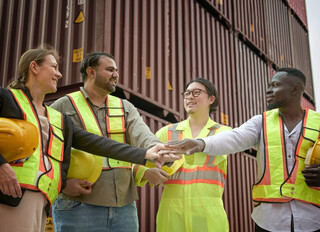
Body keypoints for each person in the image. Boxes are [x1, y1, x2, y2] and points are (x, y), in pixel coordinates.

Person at [0, 48, 176, 232]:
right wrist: (1, 165)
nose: (60, 74)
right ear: (34, 67)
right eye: (54, 67)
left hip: (44, 198)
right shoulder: (12, 98)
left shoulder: (56, 117)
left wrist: (148, 152)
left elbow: (97, 143)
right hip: (21, 197)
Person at [166, 68, 320, 231]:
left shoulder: (317, 123)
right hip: (269, 221)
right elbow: (236, 138)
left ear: (295, 89)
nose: (268, 90)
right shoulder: (261, 122)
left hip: (312, 219)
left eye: (275, 85)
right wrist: (202, 143)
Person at [51, 52, 170, 232]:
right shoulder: (63, 106)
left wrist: (157, 149)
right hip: (77, 205)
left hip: (124, 206)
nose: (116, 74)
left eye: (116, 70)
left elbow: (142, 134)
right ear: (91, 72)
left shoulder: (125, 106)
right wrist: (63, 184)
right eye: (109, 69)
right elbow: (45, 151)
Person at [154, 78, 231, 232]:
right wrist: (149, 170)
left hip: (208, 213)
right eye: (187, 93)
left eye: (196, 92)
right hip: (171, 213)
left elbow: (209, 156)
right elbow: (144, 160)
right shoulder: (166, 132)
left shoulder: (222, 133)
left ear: (211, 99)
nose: (189, 97)